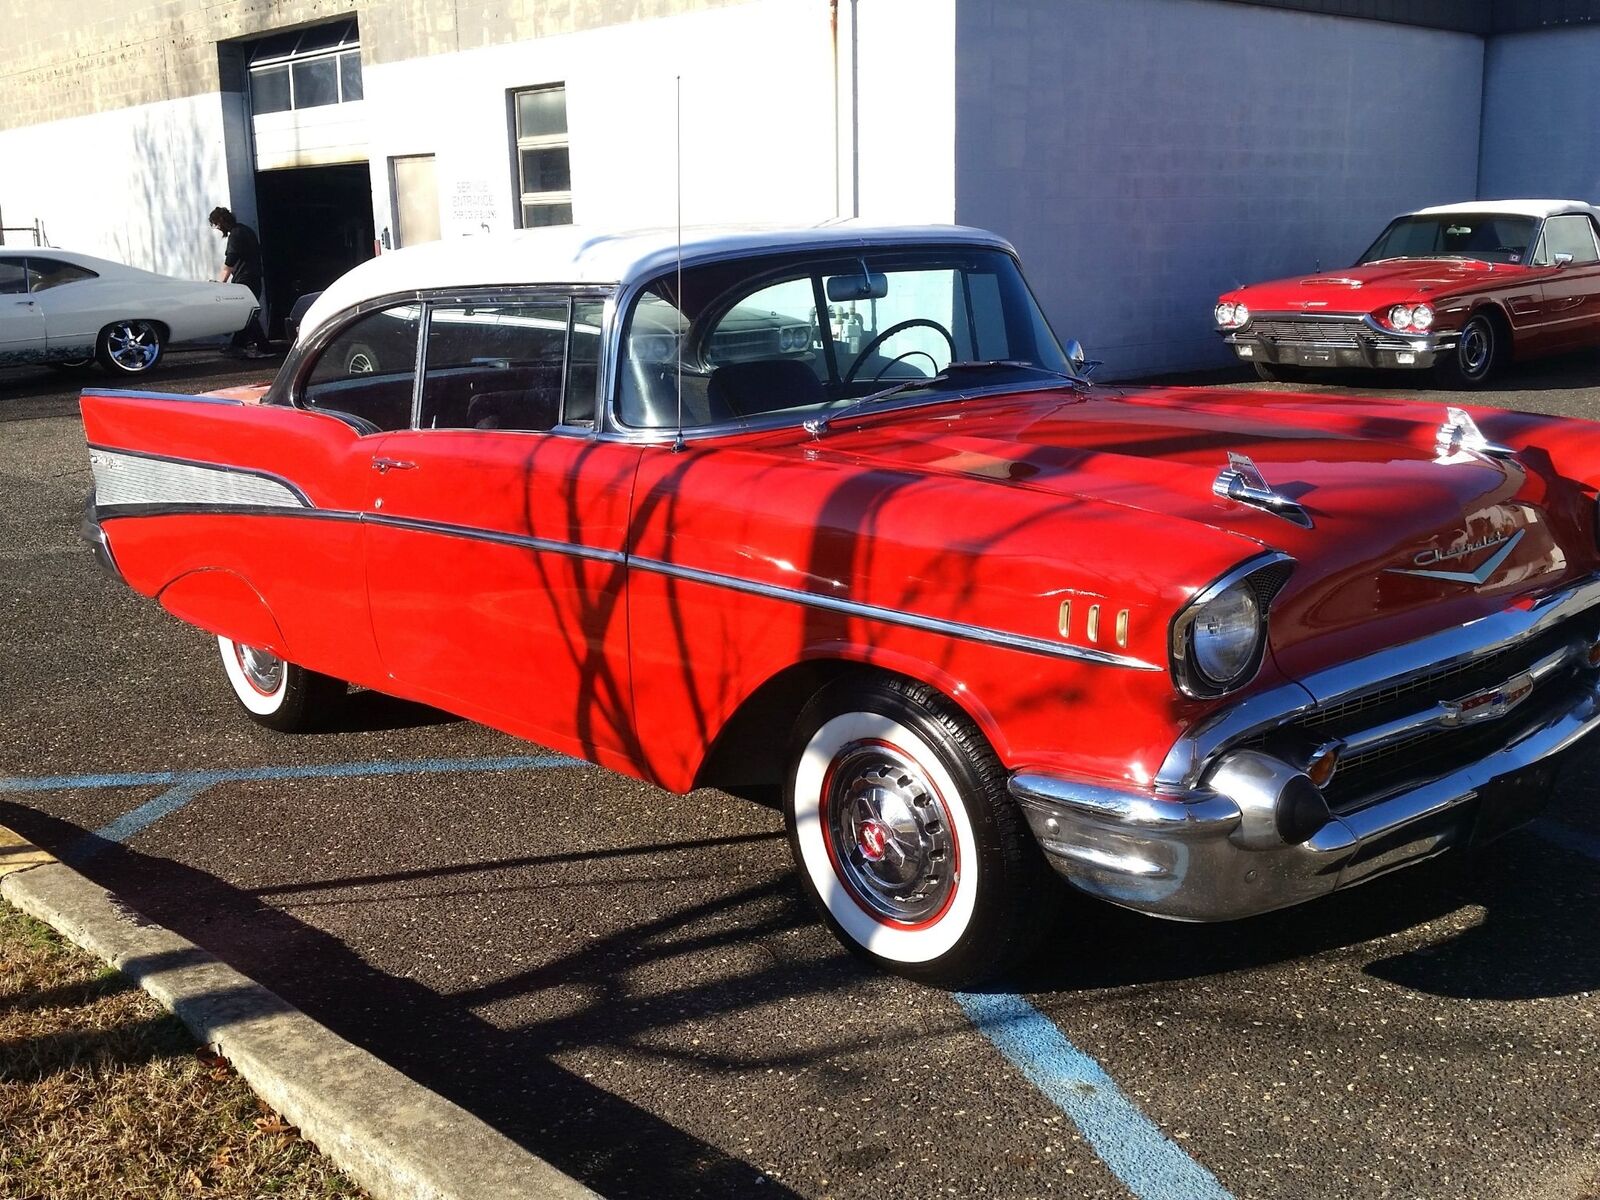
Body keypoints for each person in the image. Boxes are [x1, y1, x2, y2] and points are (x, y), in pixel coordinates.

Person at [209, 206, 271, 358]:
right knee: (246, 313)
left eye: (216, 224)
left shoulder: (235, 235)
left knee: (246, 314)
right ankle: (238, 345)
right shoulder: (246, 230)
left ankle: (263, 346)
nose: (217, 228)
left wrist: (220, 283)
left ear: (222, 220)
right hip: (254, 278)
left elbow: (230, 262)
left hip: (245, 280)